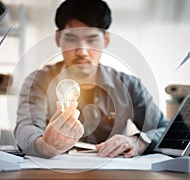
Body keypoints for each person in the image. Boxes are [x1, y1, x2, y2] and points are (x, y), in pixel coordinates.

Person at [14, 0, 169, 158]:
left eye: (91, 39)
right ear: (58, 39)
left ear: (106, 39)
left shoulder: (128, 85)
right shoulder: (39, 81)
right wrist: (45, 146)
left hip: (113, 177)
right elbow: (26, 127)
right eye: (72, 39)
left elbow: (164, 128)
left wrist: (138, 142)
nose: (82, 51)